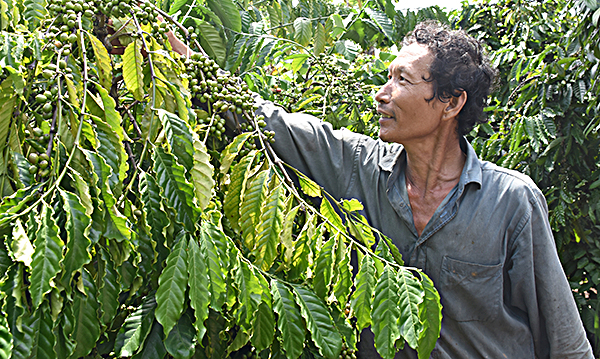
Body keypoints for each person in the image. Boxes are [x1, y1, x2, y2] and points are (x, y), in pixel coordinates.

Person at [168, 21, 593, 357]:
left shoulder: (511, 201)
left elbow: (565, 340)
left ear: (451, 102)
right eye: (386, 78)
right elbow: (270, 124)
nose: (381, 94)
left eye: (402, 81)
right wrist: (180, 59)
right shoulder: (359, 168)